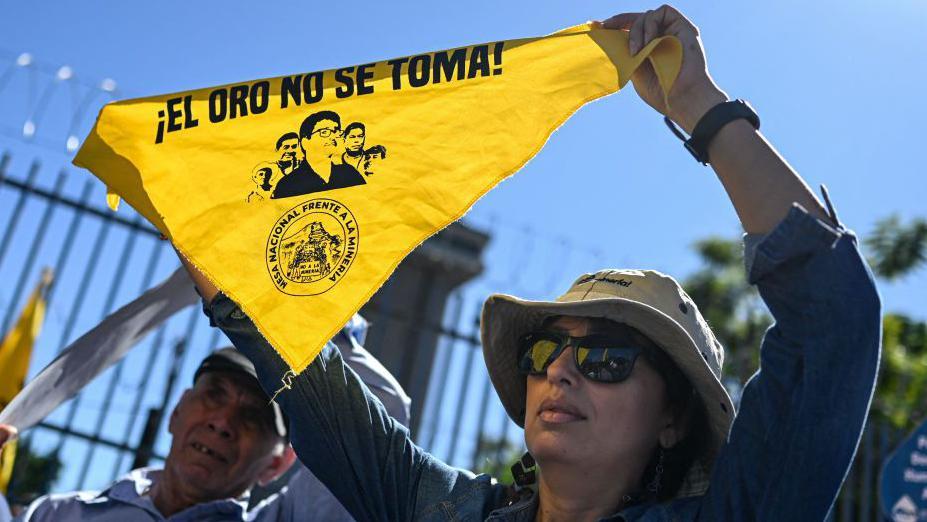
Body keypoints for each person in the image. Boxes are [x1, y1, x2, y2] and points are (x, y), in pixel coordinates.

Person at [181, 5, 881, 520]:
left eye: (605, 359)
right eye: (546, 350)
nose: (560, 372)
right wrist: (186, 196)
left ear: (671, 419)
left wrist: (697, 104)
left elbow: (835, 319)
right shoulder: (439, 510)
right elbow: (289, 351)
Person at [1, 315, 411, 521]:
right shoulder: (61, 514)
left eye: (255, 415)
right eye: (213, 394)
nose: (222, 421)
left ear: (278, 462)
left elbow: (382, 415)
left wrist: (317, 321)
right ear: (177, 412)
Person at [271, 111, 366, 199]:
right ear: (305, 142)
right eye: (324, 132)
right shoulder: (288, 184)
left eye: (336, 131)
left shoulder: (350, 174)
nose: (333, 136)